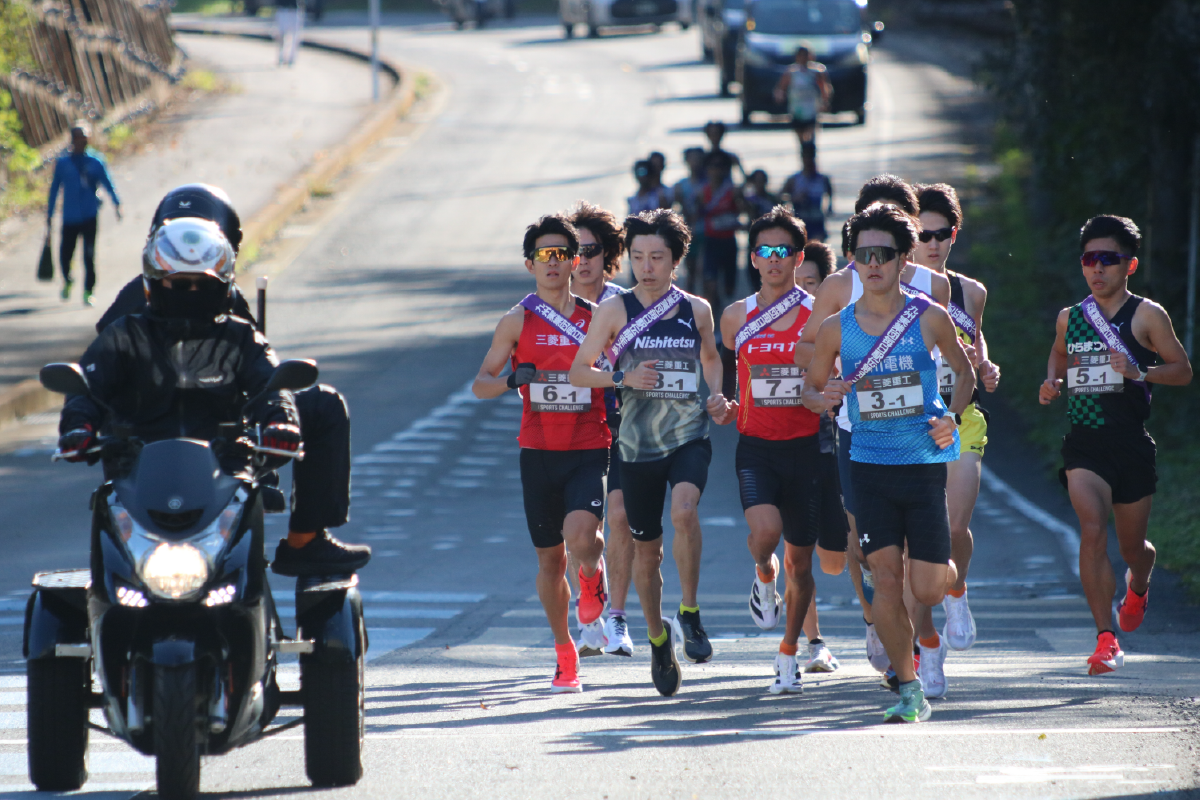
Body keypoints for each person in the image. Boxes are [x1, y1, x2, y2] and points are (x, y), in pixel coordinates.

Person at [93, 184, 369, 576]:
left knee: (319, 403)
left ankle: (304, 543)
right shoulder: (134, 316)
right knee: (320, 406)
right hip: (156, 458)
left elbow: (260, 376)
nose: (191, 288)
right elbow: (95, 383)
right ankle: (304, 542)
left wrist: (276, 421)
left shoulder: (191, 302)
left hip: (213, 450)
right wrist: (84, 425)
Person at [803, 202, 972, 723]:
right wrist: (826, 393)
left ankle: (953, 582)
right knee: (883, 577)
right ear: (852, 260)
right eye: (862, 254)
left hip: (922, 465)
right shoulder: (836, 327)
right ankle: (908, 686)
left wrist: (954, 417)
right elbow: (809, 391)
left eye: (884, 254)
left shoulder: (930, 317)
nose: (872, 263)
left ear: (904, 260)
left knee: (924, 586)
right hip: (868, 465)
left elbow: (965, 376)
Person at [570, 209, 734, 697]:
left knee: (685, 511)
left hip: (688, 436)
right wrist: (621, 378)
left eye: (657, 257)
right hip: (635, 445)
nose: (646, 266)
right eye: (638, 256)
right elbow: (581, 371)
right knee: (647, 550)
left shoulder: (696, 309)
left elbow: (711, 357)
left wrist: (716, 395)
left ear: (675, 260)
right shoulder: (614, 311)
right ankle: (659, 639)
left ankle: (689, 611)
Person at [1039, 215, 1192, 676]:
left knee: (1133, 549)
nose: (1097, 268)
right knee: (1091, 530)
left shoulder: (1148, 315)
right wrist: (1051, 382)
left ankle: (1139, 584)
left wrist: (1139, 372)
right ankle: (1106, 639)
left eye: (1109, 259)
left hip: (1130, 445)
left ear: (1130, 265)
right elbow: (1060, 354)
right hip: (1084, 445)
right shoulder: (1072, 316)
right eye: (1090, 259)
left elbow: (1182, 370)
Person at [472, 215, 610, 692]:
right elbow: (480, 384)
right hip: (538, 453)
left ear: (577, 261)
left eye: (562, 255)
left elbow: (625, 369)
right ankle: (564, 651)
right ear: (529, 263)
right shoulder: (516, 320)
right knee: (550, 563)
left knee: (581, 538)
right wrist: (513, 380)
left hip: (589, 446)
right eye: (543, 256)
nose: (553, 264)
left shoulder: (598, 319)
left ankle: (592, 576)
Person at [719, 206, 848, 693]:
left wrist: (827, 391)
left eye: (785, 252)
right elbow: (730, 371)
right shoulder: (736, 317)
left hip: (806, 450)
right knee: (766, 536)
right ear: (753, 258)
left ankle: (790, 653)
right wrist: (726, 402)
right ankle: (760, 575)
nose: (774, 260)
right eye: (765, 251)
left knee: (803, 562)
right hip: (756, 446)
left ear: (799, 258)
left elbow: (833, 373)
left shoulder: (821, 317)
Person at [909, 183, 1001, 697]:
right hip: (909, 423)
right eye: (923, 235)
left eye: (942, 234)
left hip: (961, 415)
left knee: (955, 525)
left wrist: (983, 364)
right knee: (919, 540)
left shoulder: (972, 291)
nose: (934, 243)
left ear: (953, 236)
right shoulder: (896, 289)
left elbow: (974, 337)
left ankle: (957, 590)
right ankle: (927, 645)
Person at [567, 201, 635, 658]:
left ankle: (617, 619)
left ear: (607, 254)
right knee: (580, 534)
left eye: (592, 249)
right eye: (574, 250)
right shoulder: (549, 304)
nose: (583, 258)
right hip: (573, 423)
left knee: (622, 518)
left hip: (625, 419)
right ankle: (591, 583)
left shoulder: (625, 303)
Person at [46, 122, 122, 306]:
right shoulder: (63, 163)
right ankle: (68, 279)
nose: (82, 141)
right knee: (65, 254)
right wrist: (49, 214)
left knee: (89, 255)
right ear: (72, 140)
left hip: (89, 214)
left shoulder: (96, 161)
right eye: (79, 138)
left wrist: (116, 203)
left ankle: (89, 290)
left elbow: (107, 182)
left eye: (85, 138)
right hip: (70, 216)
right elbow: (55, 188)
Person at [699, 152, 741, 310]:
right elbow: (694, 215)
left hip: (729, 242)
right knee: (710, 284)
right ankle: (714, 318)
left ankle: (726, 312)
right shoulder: (703, 193)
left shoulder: (733, 191)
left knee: (729, 288)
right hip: (711, 241)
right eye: (712, 167)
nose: (716, 171)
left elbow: (745, 210)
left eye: (720, 167)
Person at [773, 47, 829, 158]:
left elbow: (824, 87)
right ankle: (804, 156)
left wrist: (825, 101)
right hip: (797, 110)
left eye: (806, 55)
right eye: (801, 55)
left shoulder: (816, 71)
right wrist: (779, 96)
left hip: (811, 109)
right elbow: (781, 87)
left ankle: (811, 155)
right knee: (801, 138)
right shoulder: (791, 72)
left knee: (811, 137)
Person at [673, 147, 709, 294]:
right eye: (692, 159)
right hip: (689, 231)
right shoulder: (681, 185)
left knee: (705, 270)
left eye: (698, 159)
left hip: (707, 231)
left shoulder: (709, 184)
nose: (695, 162)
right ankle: (690, 300)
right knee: (690, 270)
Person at [782, 149, 834, 244]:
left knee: (817, 248)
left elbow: (830, 193)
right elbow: (780, 197)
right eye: (805, 158)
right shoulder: (794, 179)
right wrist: (794, 198)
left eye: (810, 157)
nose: (808, 161)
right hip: (800, 219)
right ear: (802, 159)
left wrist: (829, 207)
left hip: (817, 220)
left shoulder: (822, 179)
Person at [742, 170, 778, 293]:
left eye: (762, 180)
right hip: (754, 243)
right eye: (756, 181)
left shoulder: (773, 199)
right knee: (754, 279)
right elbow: (737, 196)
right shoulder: (749, 200)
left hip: (771, 242)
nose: (759, 184)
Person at [276, 0, 305, 66]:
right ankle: (281, 56)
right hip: (283, 9)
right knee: (282, 35)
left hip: (295, 9)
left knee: (295, 36)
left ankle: (292, 58)